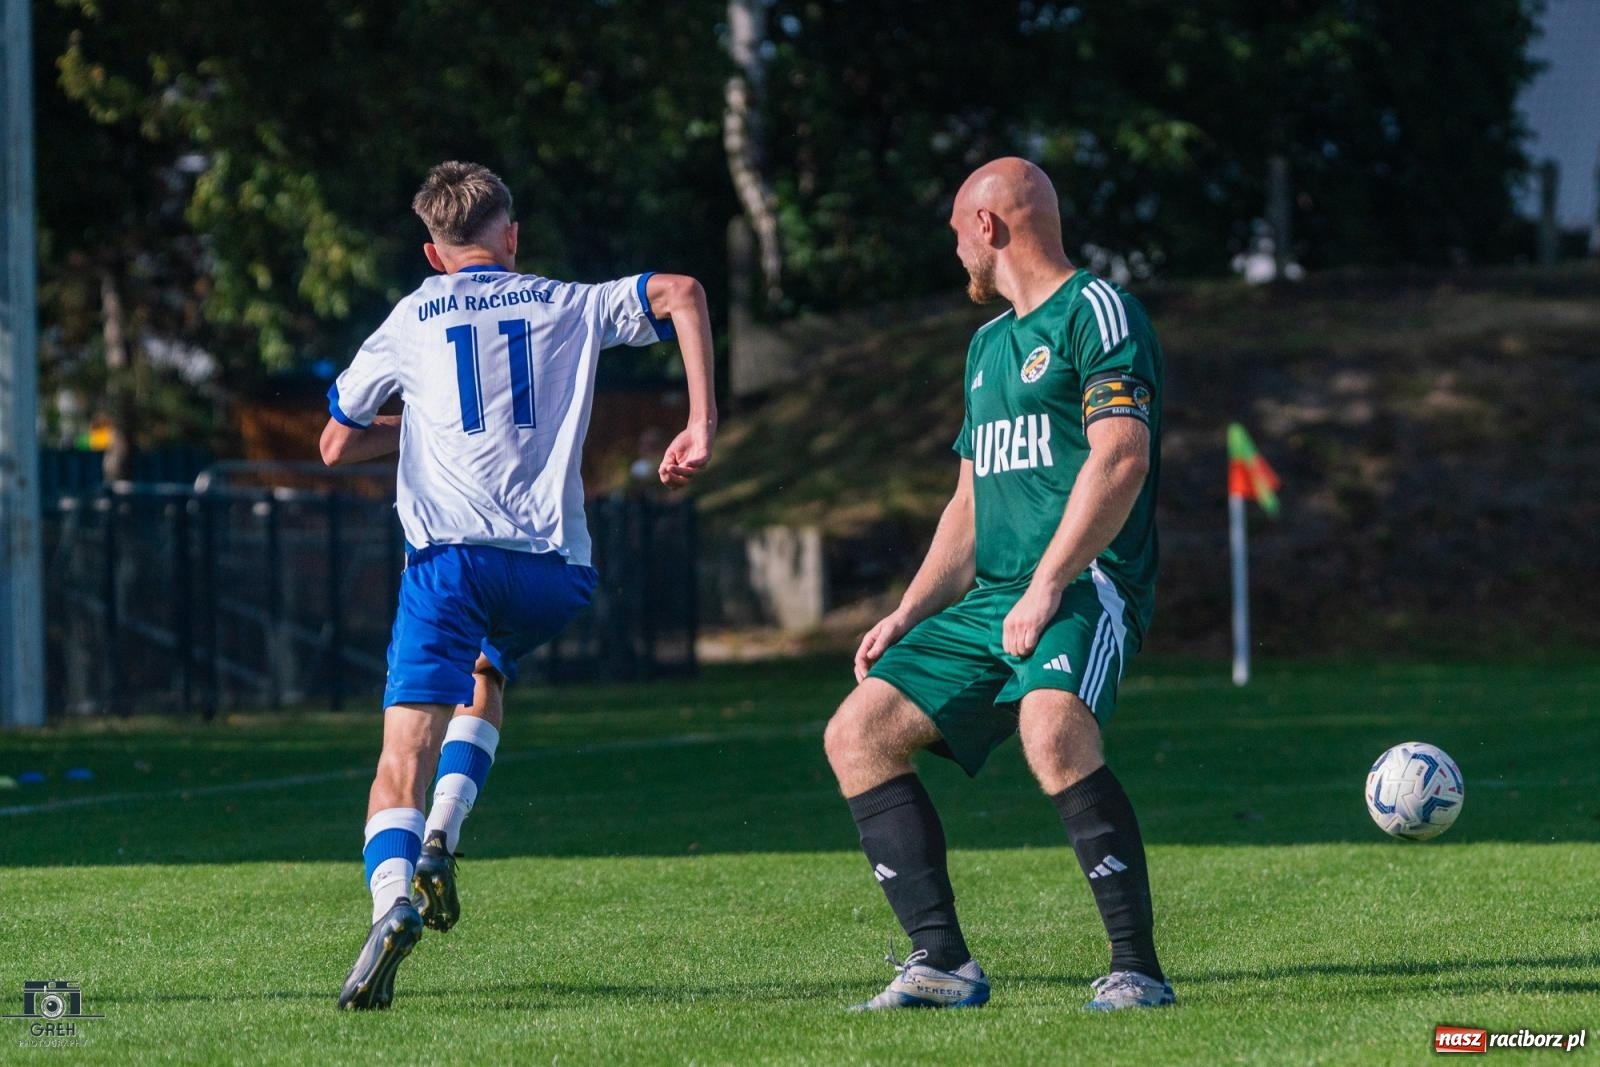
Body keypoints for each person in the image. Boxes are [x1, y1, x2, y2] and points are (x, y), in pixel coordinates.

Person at [319, 161, 716, 1010]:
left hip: (450, 566)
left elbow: (335, 443)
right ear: (512, 236)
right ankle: (444, 835)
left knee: (401, 756)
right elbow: (683, 291)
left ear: (433, 253)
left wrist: (420, 425)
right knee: (487, 669)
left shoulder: (410, 316)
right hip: (555, 573)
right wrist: (699, 422)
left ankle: (391, 903)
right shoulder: (565, 301)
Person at [823, 157, 1170, 1012]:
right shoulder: (985, 347)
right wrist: (909, 609)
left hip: (1086, 581)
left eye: (956, 233)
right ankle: (940, 961)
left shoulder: (1098, 310)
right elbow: (970, 502)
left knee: (1051, 728)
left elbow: (1121, 457)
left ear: (987, 225)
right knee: (858, 731)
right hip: (998, 596)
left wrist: (1049, 583)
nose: (956, 252)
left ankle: (1137, 970)